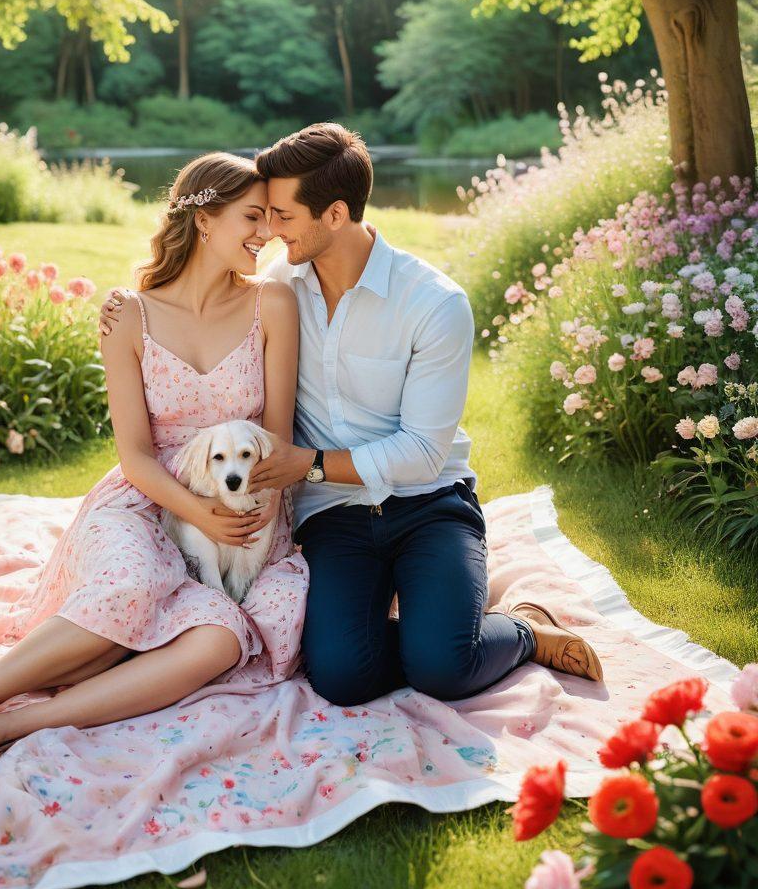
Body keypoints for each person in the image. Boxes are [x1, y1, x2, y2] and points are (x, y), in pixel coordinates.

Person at [101, 123, 603, 708]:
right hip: (335, 515)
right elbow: (196, 290)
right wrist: (125, 301)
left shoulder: (433, 303)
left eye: (282, 216)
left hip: (430, 504)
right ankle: (421, 630)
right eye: (260, 217)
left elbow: (421, 454)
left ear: (334, 214)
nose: (267, 232)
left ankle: (522, 626)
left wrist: (306, 465)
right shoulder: (279, 291)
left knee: (443, 666)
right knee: (341, 677)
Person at [0, 152, 308, 783]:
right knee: (130, 589)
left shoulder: (272, 303)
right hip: (146, 498)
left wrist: (245, 510)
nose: (265, 233)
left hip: (243, 504)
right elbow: (133, 454)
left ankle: (13, 722)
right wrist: (194, 512)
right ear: (206, 220)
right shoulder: (128, 315)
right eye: (251, 216)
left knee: (218, 643)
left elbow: (277, 434)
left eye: (270, 219)